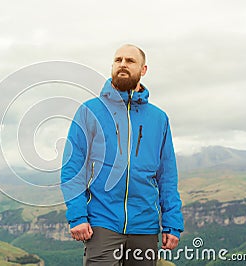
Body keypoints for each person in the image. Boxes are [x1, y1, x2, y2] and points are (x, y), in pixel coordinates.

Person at [61, 44, 184, 265]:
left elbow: (167, 175)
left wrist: (172, 222)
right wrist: (78, 215)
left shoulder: (159, 118)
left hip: (145, 225)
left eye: (130, 61)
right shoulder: (90, 111)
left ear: (143, 69)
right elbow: (73, 166)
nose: (123, 65)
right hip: (102, 221)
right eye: (118, 60)